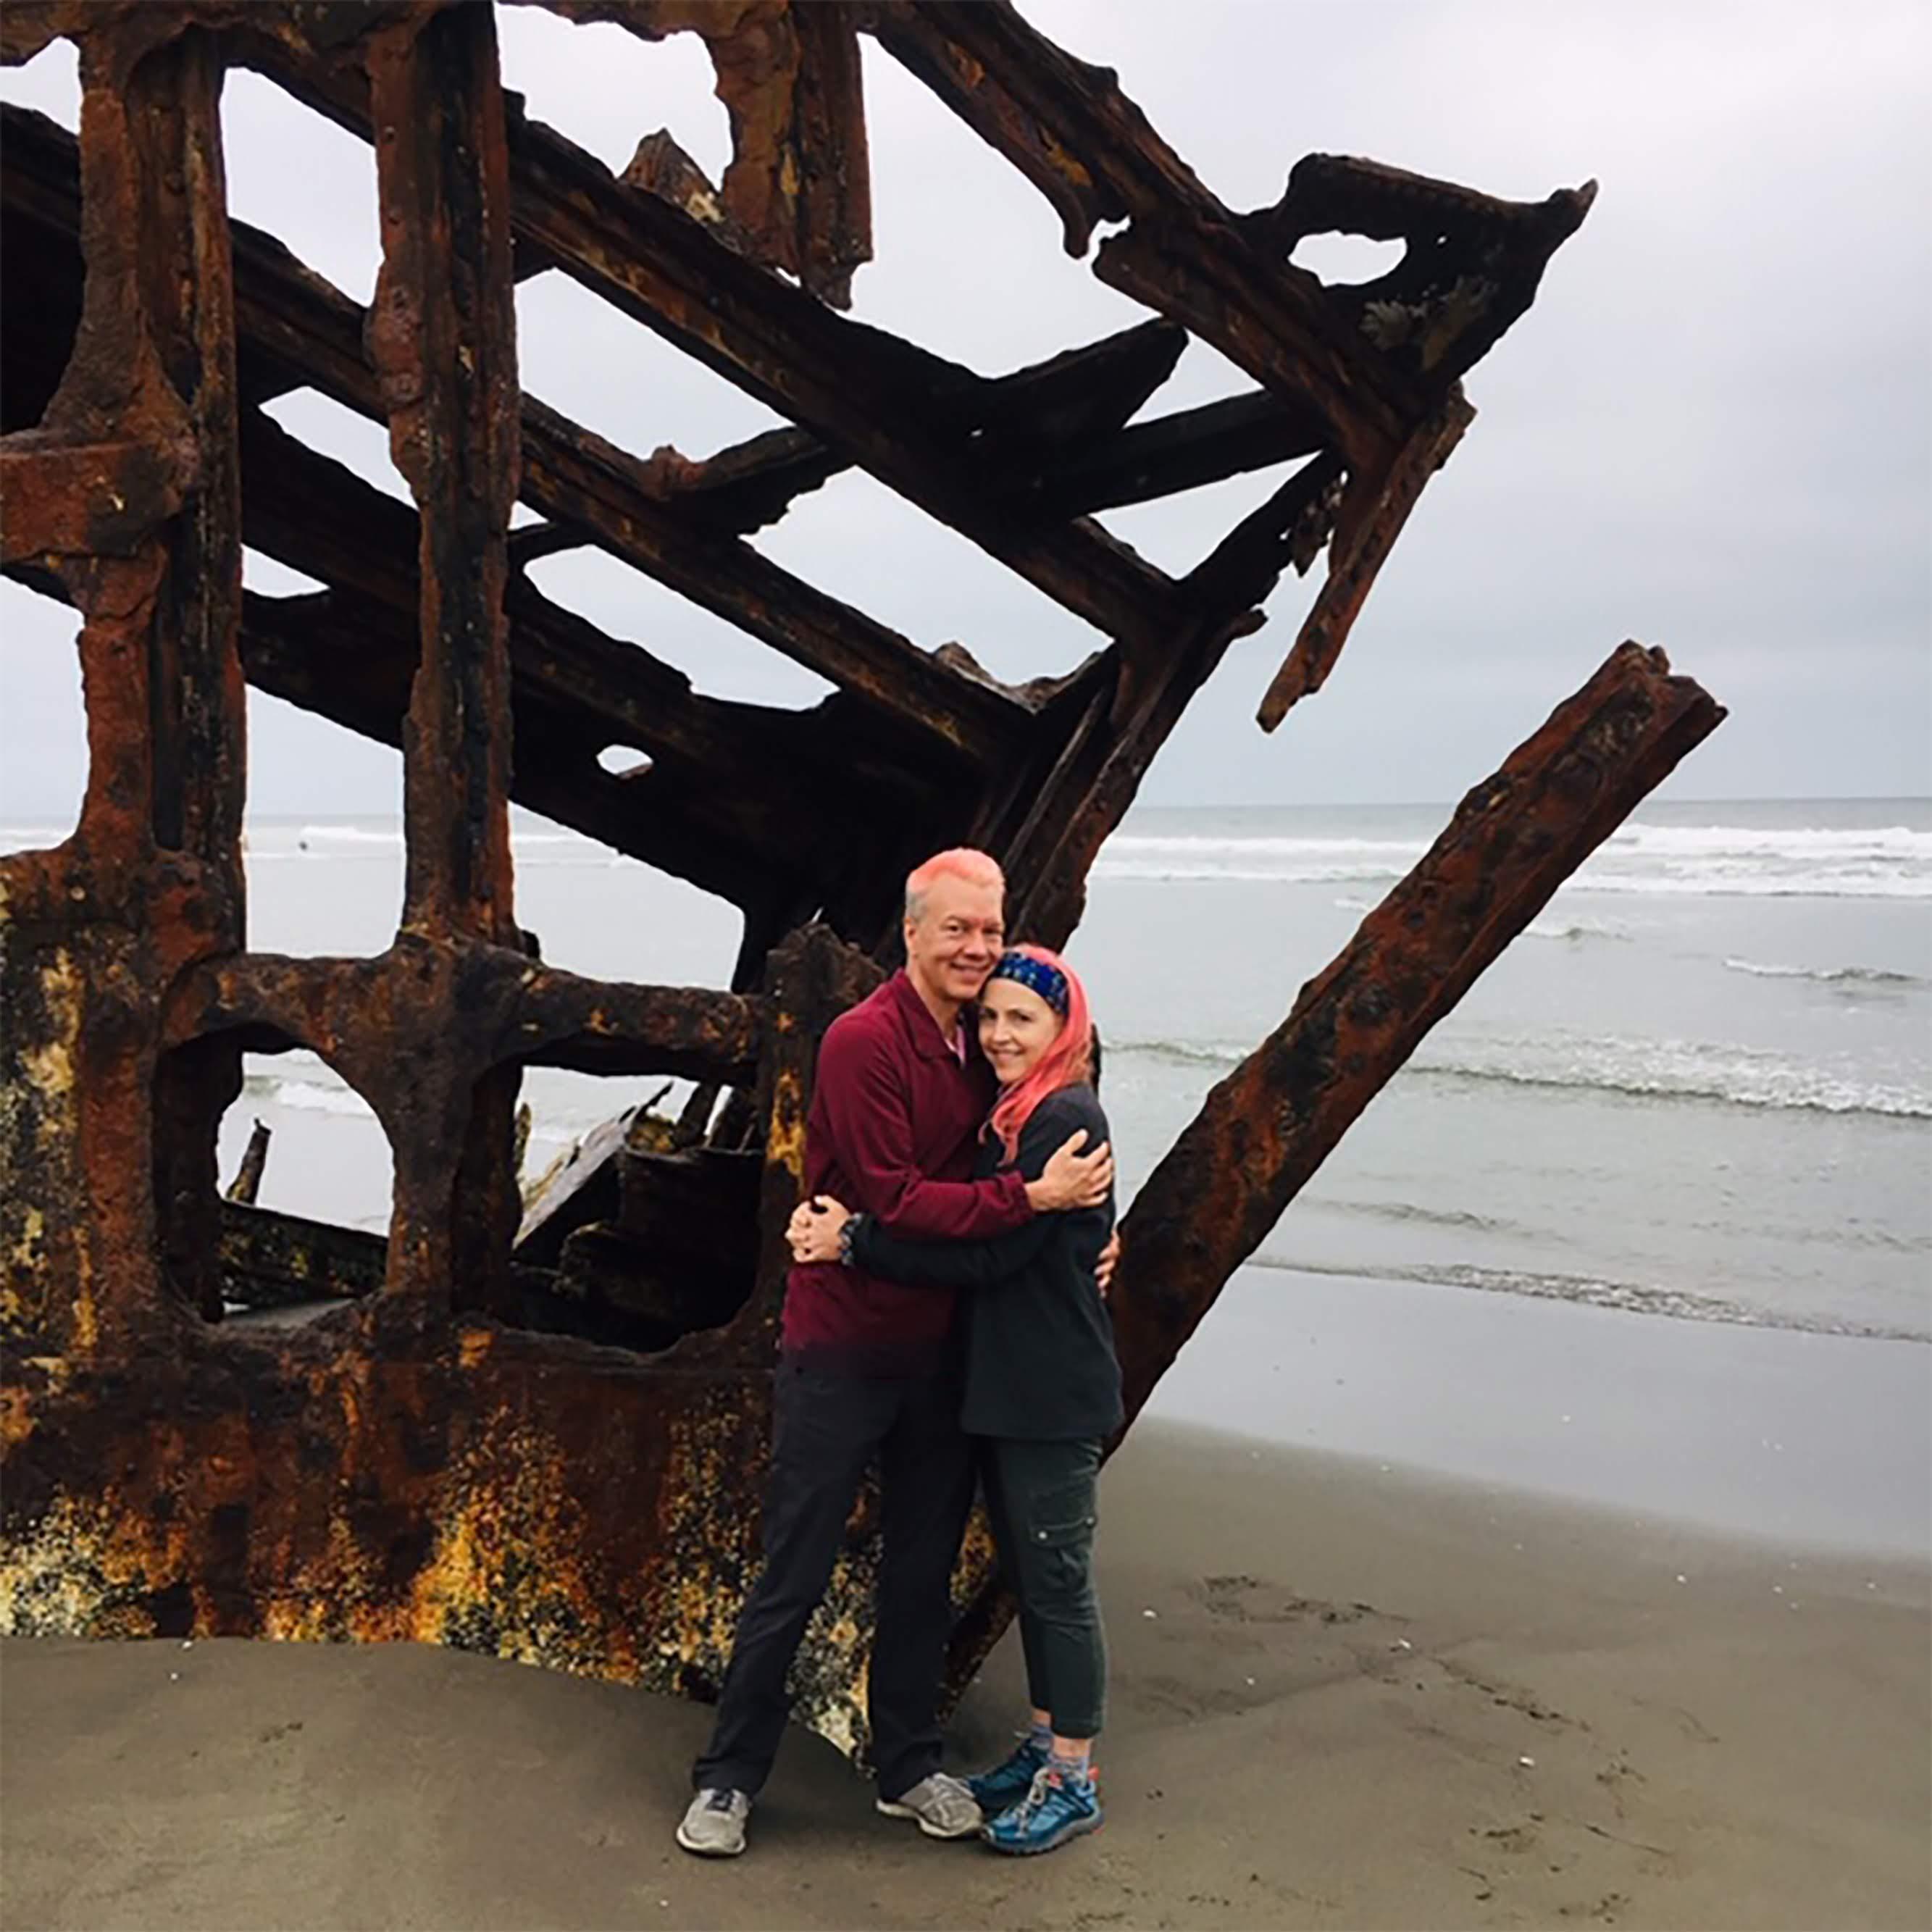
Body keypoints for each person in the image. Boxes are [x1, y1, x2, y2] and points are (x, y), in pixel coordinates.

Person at [677, 851, 1113, 1860]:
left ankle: (908, 1764)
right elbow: (896, 1197)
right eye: (956, 928)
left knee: (920, 1573)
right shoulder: (860, 1040)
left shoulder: (991, 1041)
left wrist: (1087, 1233)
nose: (976, 949)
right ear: (909, 932)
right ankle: (728, 1780)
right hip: (845, 1345)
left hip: (945, 1355)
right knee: (794, 1566)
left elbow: (1067, 1108)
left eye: (990, 930)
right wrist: (1032, 1204)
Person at [787, 942, 1120, 1857]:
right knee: (1030, 1567)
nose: (1002, 1034)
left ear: (1066, 1030)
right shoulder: (1013, 1119)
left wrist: (855, 1242)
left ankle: (1074, 1776)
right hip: (1003, 1389)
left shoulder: (1062, 1119)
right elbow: (1011, 1228)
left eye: (1025, 1019)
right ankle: (1047, 1746)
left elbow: (986, 1254)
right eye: (991, 1017)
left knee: (1055, 1586)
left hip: (1048, 1394)